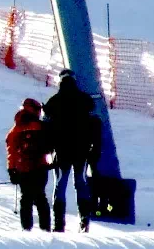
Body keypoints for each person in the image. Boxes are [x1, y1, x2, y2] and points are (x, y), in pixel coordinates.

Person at [45, 69, 101, 233]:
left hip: (61, 152)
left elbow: (47, 127)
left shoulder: (54, 101)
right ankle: (84, 220)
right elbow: (95, 124)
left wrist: (49, 149)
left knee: (60, 186)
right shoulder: (85, 100)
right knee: (81, 183)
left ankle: (59, 224)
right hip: (81, 151)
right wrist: (93, 150)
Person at [6, 98, 52, 231]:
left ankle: (26, 229)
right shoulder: (41, 126)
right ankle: (45, 230)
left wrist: (11, 169)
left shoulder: (16, 128)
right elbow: (49, 147)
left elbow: (11, 150)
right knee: (40, 198)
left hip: (22, 169)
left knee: (26, 199)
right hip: (40, 168)